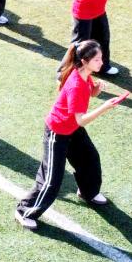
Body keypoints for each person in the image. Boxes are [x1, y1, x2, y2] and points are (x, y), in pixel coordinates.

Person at [14, 40, 121, 230]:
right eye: (97, 59)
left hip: (72, 129)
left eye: (101, 58)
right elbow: (81, 120)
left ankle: (88, 192)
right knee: (51, 180)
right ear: (85, 61)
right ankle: (24, 211)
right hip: (58, 132)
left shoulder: (84, 74)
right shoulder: (76, 84)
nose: (101, 62)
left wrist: (96, 90)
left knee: (89, 159)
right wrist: (105, 107)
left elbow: (88, 94)